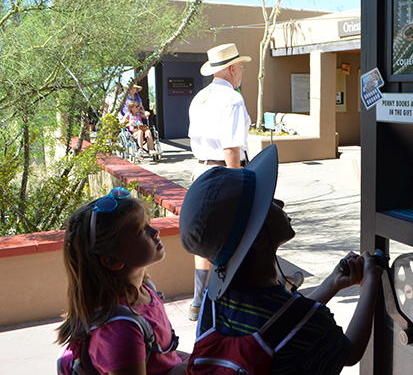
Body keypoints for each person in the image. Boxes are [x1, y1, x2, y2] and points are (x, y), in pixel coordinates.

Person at [179, 145, 383, 373]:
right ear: (257, 239)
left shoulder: (214, 299)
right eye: (267, 203)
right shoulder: (312, 323)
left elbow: (285, 321)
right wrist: (370, 284)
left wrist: (332, 283)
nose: (280, 203)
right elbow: (350, 351)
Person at [56, 188, 188, 375]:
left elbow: (161, 356)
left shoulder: (145, 290)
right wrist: (184, 369)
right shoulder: (120, 330)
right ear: (113, 260)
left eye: (149, 223)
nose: (155, 231)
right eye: (141, 229)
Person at [186, 43, 252, 321]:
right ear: (232, 68)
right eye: (242, 68)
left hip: (201, 172)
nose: (242, 73)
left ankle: (198, 301)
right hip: (224, 173)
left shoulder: (200, 97)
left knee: (205, 238)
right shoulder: (233, 99)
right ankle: (234, 299)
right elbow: (231, 148)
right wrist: (240, 184)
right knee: (235, 235)